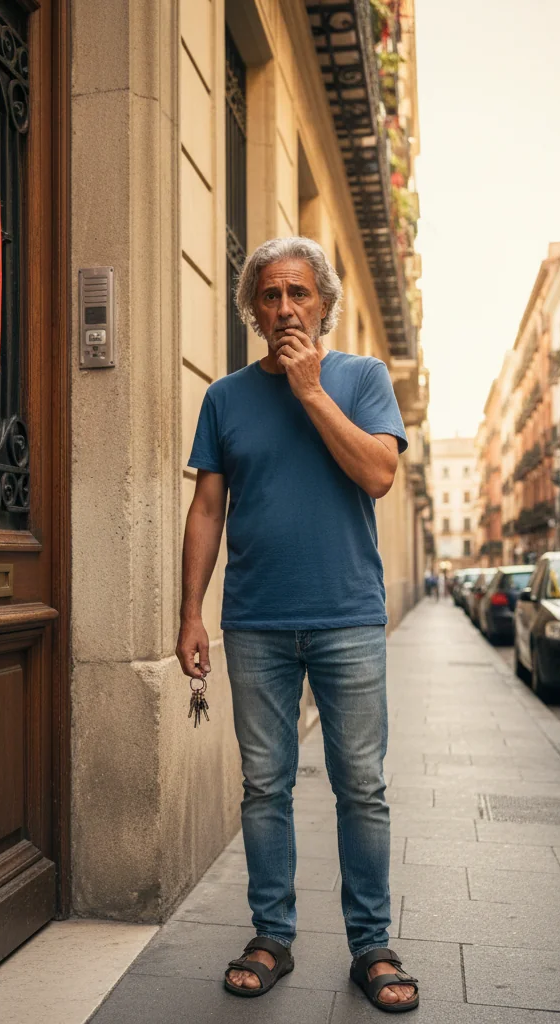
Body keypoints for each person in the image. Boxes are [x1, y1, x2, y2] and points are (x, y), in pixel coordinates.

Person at [175, 236, 419, 1012]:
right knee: (262, 788)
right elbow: (207, 508)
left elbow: (379, 474)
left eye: (299, 294)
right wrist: (190, 612)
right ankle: (271, 935)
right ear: (252, 307)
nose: (284, 308)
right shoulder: (225, 398)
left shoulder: (362, 378)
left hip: (347, 618)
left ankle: (372, 946)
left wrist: (313, 392)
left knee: (362, 788)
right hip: (255, 624)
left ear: (324, 303)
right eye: (270, 295)